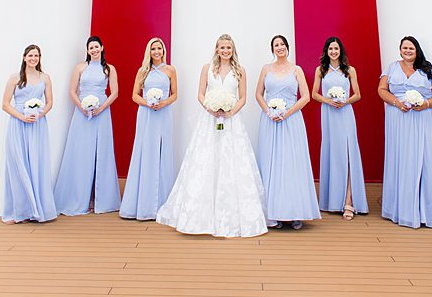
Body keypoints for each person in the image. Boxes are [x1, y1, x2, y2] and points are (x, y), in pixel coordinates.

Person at [157, 33, 267, 237]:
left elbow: (243, 97)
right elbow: (200, 93)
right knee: (205, 160)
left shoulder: (240, 71)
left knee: (232, 162)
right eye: (222, 47)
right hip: (209, 120)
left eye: (228, 48)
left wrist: (230, 112)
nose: (225, 51)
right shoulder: (207, 69)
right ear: (217, 49)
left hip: (232, 121)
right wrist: (211, 107)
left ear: (233, 50)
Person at [378, 35, 432, 229]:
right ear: (400, 50)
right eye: (404, 48)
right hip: (398, 119)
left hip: (423, 119)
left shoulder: (428, 68)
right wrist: (396, 103)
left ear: (417, 50)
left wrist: (426, 103)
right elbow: (382, 89)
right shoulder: (392, 67)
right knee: (401, 159)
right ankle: (401, 209)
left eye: (411, 48)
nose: (407, 51)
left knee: (424, 160)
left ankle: (425, 211)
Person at [256, 34, 320, 229]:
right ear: (272, 49)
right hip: (270, 121)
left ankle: (295, 212)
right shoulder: (266, 69)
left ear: (287, 47)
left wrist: (286, 113)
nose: (279, 47)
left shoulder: (296, 69)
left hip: (291, 121)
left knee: (293, 163)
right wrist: (269, 111)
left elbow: (306, 96)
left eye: (282, 44)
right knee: (271, 163)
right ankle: (272, 213)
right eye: (276, 45)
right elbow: (258, 94)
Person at [54, 35, 121, 215]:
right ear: (87, 50)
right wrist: (81, 107)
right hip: (82, 113)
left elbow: (114, 92)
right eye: (91, 48)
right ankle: (79, 197)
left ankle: (100, 200)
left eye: (96, 47)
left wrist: (101, 108)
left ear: (102, 47)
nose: (94, 50)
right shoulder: (80, 67)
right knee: (81, 152)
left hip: (102, 112)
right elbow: (72, 91)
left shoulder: (109, 69)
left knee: (102, 152)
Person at [120, 37, 177, 220]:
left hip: (163, 114)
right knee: (145, 152)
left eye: (159, 48)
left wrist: (163, 103)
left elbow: (175, 94)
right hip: (146, 115)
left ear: (163, 51)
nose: (156, 52)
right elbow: (134, 95)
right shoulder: (143, 71)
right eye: (153, 49)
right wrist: (148, 103)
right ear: (149, 52)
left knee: (162, 152)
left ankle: (162, 203)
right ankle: (142, 204)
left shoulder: (170, 70)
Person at [312, 36, 368, 219]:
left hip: (345, 114)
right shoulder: (321, 70)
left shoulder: (350, 70)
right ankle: (333, 200)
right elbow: (314, 94)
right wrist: (328, 100)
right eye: (330, 49)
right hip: (328, 115)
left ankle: (349, 201)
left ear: (340, 51)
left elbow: (358, 94)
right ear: (326, 51)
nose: (333, 52)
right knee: (333, 154)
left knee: (348, 154)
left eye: (336, 49)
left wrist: (345, 102)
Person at [1, 43, 57, 224]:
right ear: (24, 58)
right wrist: (22, 117)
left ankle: (38, 208)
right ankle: (21, 210)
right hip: (18, 124)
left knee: (37, 163)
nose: (33, 59)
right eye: (30, 55)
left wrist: (39, 113)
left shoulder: (45, 78)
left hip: (38, 125)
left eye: (36, 56)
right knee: (19, 164)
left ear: (39, 58)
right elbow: (5, 104)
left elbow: (49, 102)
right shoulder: (15, 78)